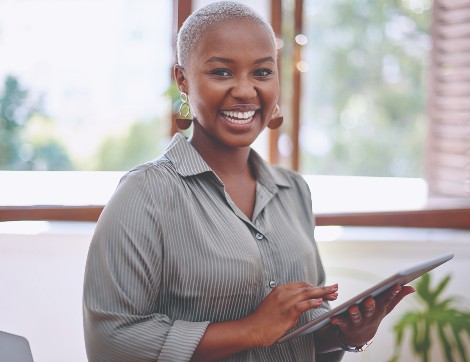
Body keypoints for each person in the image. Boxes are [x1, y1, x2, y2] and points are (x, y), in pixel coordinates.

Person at [82, 2, 414, 361]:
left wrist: (346, 335)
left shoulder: (293, 191)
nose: (245, 90)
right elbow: (111, 341)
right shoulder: (145, 194)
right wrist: (250, 330)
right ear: (183, 79)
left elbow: (296, 335)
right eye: (222, 72)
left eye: (262, 72)